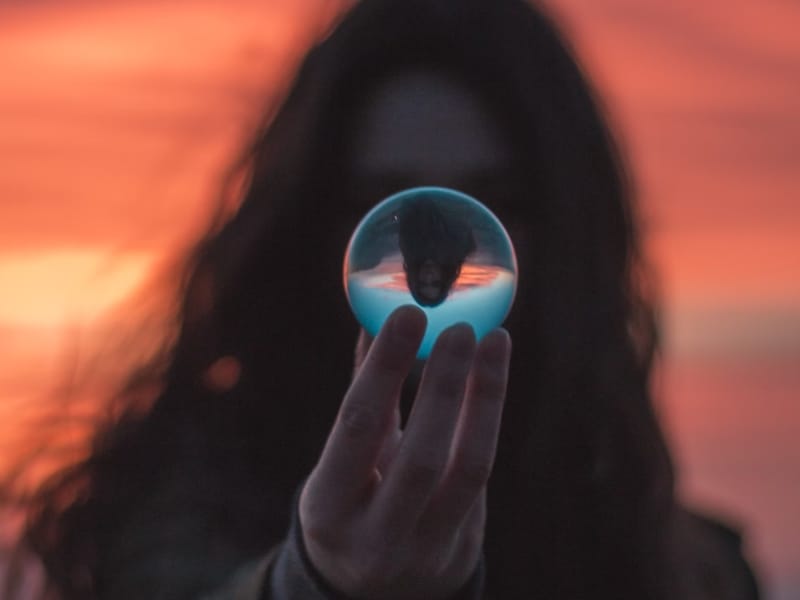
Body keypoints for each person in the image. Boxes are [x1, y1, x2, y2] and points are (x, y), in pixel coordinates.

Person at [9, 0, 761, 598]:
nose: (434, 253)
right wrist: (318, 581)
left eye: (489, 201)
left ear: (564, 230)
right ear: (311, 223)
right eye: (388, 202)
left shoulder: (688, 567)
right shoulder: (167, 501)